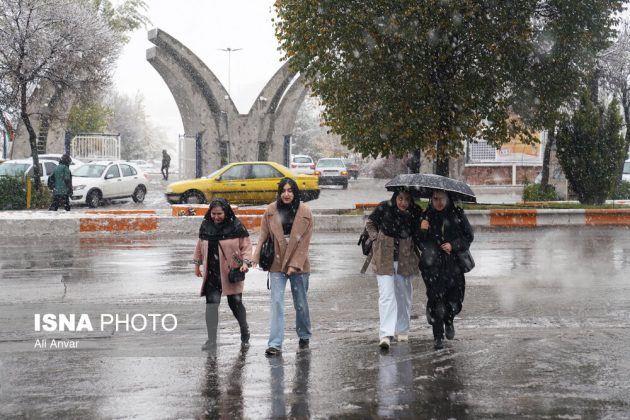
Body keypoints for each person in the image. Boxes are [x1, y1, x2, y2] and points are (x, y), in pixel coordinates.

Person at [252, 177, 314, 356]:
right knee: (277, 303)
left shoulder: (306, 212)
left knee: (300, 303)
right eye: (283, 191)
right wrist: (255, 256)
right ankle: (275, 344)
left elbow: (305, 243)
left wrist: (295, 265)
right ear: (279, 193)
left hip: (299, 263)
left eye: (290, 190)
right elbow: (263, 234)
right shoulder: (271, 210)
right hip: (277, 261)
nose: (286, 194)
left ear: (295, 192)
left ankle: (304, 335)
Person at [365, 190, 422, 350]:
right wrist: (376, 239)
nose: (403, 203)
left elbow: (419, 237)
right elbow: (370, 223)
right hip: (384, 258)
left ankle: (402, 329)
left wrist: (422, 227)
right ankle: (385, 334)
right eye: (400, 198)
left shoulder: (416, 212)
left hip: (406, 259)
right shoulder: (385, 207)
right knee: (386, 296)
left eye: (407, 200)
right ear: (395, 197)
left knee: (403, 296)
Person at [193, 198, 252, 350]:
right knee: (211, 307)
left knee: (235, 304)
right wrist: (197, 265)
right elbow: (199, 246)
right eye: (213, 213)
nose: (216, 217)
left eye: (219, 213)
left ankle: (244, 331)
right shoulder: (206, 225)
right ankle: (211, 340)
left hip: (231, 272)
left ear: (226, 212)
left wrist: (246, 263)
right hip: (212, 274)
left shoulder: (236, 225)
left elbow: (246, 247)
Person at [419, 190, 474, 350]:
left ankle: (449, 319)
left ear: (448, 198)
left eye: (442, 199)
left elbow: (468, 236)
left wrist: (453, 245)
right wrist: (422, 229)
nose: (439, 202)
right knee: (437, 300)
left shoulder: (457, 214)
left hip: (454, 266)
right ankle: (438, 336)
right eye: (435, 199)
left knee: (455, 300)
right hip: (432, 266)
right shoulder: (426, 215)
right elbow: (420, 242)